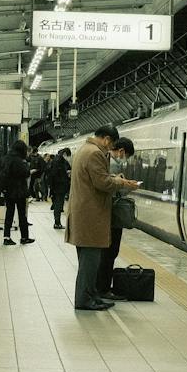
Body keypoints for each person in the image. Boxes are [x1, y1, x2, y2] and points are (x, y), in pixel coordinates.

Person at [66, 127, 137, 311]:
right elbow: (102, 182)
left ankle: (91, 296)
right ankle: (84, 300)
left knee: (89, 263)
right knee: (89, 264)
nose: (111, 149)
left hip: (86, 214)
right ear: (106, 139)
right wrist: (122, 182)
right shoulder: (95, 153)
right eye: (112, 144)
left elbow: (97, 178)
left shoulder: (85, 150)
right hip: (90, 216)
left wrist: (113, 178)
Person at [98, 137, 138, 300]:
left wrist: (122, 182)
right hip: (112, 216)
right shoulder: (112, 163)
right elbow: (112, 190)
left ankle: (102, 287)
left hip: (107, 214)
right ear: (121, 151)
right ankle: (103, 289)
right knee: (110, 253)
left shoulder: (107, 161)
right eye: (126, 156)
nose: (125, 160)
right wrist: (128, 186)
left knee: (107, 254)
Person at [0, 140, 34, 246]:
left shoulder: (6, 159)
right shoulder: (19, 161)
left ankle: (6, 237)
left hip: (8, 191)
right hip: (19, 191)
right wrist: (29, 171)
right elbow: (25, 173)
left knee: (9, 214)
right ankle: (24, 237)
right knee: (21, 214)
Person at [46, 149, 72, 228]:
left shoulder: (58, 160)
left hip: (57, 186)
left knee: (58, 204)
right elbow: (56, 174)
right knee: (59, 204)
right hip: (59, 186)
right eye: (67, 155)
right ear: (64, 154)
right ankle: (57, 223)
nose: (68, 158)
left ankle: (57, 222)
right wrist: (66, 174)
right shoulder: (59, 161)